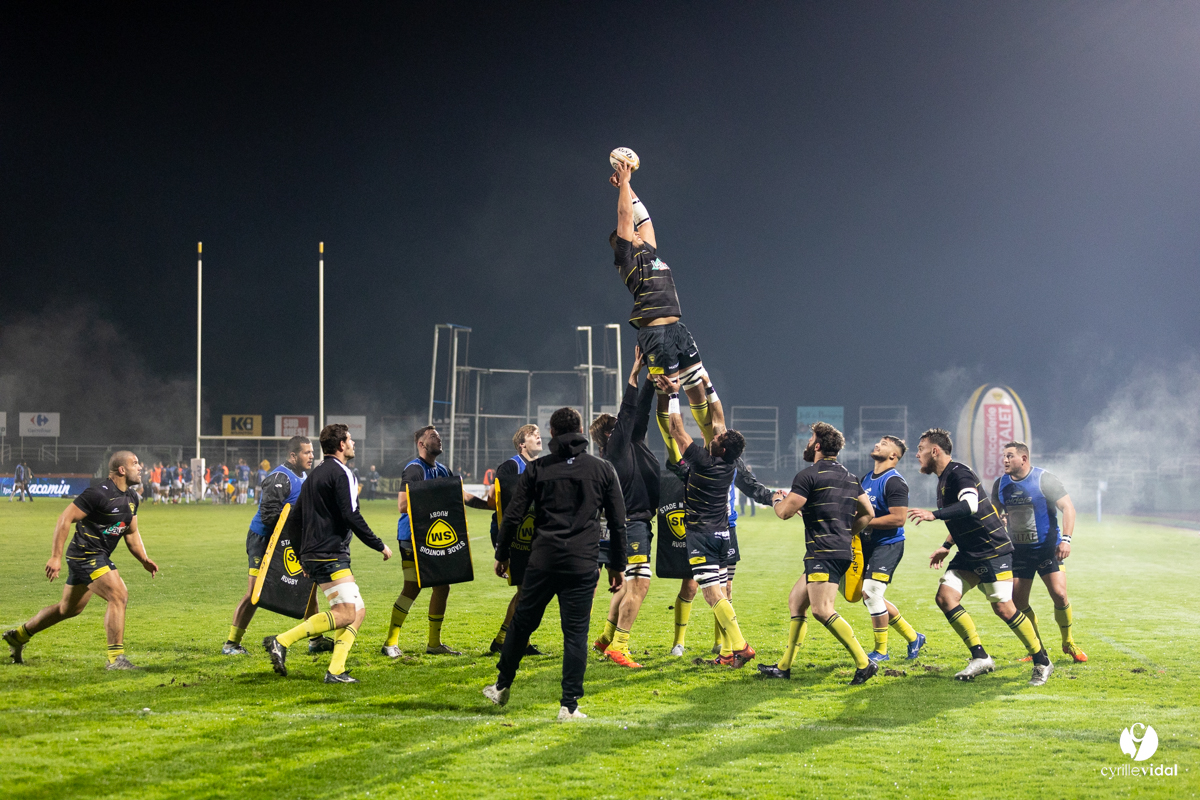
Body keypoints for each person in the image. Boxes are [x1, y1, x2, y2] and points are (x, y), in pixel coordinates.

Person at [483, 407, 627, 720]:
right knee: (575, 634)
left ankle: (501, 685)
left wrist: (502, 553)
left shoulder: (537, 469)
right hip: (581, 563)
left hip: (543, 560)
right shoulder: (603, 470)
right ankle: (569, 706)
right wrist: (618, 565)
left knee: (522, 624)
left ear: (552, 433)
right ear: (579, 430)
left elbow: (513, 514)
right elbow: (618, 522)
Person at [907, 428, 1053, 686]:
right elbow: (963, 517)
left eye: (920, 449)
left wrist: (934, 514)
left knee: (1004, 608)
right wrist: (946, 545)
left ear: (934, 451)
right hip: (969, 551)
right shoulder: (943, 479)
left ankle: (1042, 661)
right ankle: (981, 657)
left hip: (991, 549)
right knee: (945, 597)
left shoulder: (958, 472)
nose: (917, 455)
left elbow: (970, 505)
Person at [609, 159, 725, 462]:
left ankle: (711, 448)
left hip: (677, 330)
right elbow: (625, 216)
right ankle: (678, 459)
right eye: (630, 232)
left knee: (696, 386)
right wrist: (623, 183)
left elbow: (643, 219)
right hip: (655, 334)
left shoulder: (648, 251)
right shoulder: (626, 257)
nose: (636, 231)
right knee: (665, 391)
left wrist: (629, 185)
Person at [4, 452, 158, 669]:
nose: (140, 467)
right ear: (121, 470)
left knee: (67, 609)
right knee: (119, 595)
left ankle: (18, 636)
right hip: (86, 554)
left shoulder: (132, 498)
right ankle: (115, 659)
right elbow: (65, 518)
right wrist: (55, 557)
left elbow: (131, 532)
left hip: (96, 555)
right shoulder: (98, 493)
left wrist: (144, 558)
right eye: (135, 463)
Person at [263, 424, 393, 683]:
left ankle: (336, 670)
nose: (353, 443)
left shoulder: (314, 475)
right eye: (350, 439)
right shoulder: (343, 472)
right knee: (347, 613)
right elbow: (351, 514)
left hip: (316, 553)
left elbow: (295, 519)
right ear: (341, 445)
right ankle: (281, 641)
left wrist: (302, 556)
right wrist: (378, 544)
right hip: (330, 553)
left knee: (358, 610)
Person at [759, 422, 878, 685]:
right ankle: (784, 667)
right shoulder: (850, 477)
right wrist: (847, 532)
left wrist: (776, 499)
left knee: (822, 610)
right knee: (796, 601)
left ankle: (864, 662)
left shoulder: (808, 475)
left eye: (810, 439)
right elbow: (868, 514)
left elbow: (785, 512)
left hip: (823, 552)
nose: (807, 443)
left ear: (818, 446)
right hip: (835, 550)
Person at [653, 374, 755, 668]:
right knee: (722, 592)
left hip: (702, 537)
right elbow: (719, 418)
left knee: (712, 595)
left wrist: (674, 394)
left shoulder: (702, 460)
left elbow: (675, 429)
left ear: (720, 448)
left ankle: (740, 646)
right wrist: (707, 385)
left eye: (718, 438)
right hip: (724, 534)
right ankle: (725, 654)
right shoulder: (729, 463)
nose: (714, 434)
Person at [381, 426, 489, 658]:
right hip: (412, 537)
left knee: (442, 586)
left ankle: (434, 644)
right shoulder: (414, 469)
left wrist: (491, 506)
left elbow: (463, 495)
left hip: (434, 538)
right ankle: (390, 642)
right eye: (433, 437)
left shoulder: (442, 470)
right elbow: (402, 504)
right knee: (412, 587)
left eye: (439, 437)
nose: (439, 440)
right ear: (421, 444)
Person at [588, 347, 659, 668]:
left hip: (637, 522)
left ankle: (605, 638)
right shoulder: (614, 449)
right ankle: (620, 646)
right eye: (618, 424)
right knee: (640, 584)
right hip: (631, 523)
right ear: (608, 434)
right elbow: (629, 412)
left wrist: (651, 382)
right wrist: (634, 373)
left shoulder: (631, 441)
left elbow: (639, 412)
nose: (625, 425)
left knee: (630, 585)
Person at [666, 452, 774, 658]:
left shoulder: (734, 461)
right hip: (700, 528)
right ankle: (678, 642)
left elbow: (750, 485)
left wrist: (773, 497)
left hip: (727, 528)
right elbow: (674, 464)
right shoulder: (697, 456)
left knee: (726, 588)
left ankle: (722, 646)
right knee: (690, 586)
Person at [222, 436, 322, 655]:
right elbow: (269, 516)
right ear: (293, 455)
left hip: (287, 540)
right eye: (307, 452)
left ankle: (316, 640)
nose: (312, 456)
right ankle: (231, 644)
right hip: (263, 540)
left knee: (308, 590)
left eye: (312, 452)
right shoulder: (279, 477)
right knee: (254, 593)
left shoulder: (303, 476)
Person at [993, 441, 1087, 663]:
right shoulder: (1000, 485)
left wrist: (1066, 540)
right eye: (1004, 456)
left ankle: (1068, 642)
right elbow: (995, 515)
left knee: (1060, 594)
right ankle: (1037, 649)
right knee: (1018, 603)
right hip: (1018, 553)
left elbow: (1068, 507)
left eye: (1010, 456)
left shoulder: (1044, 479)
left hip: (1046, 549)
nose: (1005, 460)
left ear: (1023, 459)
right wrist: (1001, 519)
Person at [857, 436, 926, 663]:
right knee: (868, 595)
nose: (877, 444)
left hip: (888, 545)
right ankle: (913, 637)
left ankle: (881, 651)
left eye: (884, 444)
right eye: (878, 442)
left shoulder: (894, 481)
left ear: (893, 456)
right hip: (865, 545)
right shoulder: (866, 478)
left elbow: (898, 519)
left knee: (871, 594)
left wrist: (862, 523)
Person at [485, 423, 546, 656]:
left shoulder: (541, 466)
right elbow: (494, 497)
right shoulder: (511, 466)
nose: (539, 437)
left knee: (530, 591)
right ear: (522, 444)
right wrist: (503, 546)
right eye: (533, 435)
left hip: (531, 534)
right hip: (512, 535)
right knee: (527, 590)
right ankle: (505, 640)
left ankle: (515, 640)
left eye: (539, 434)